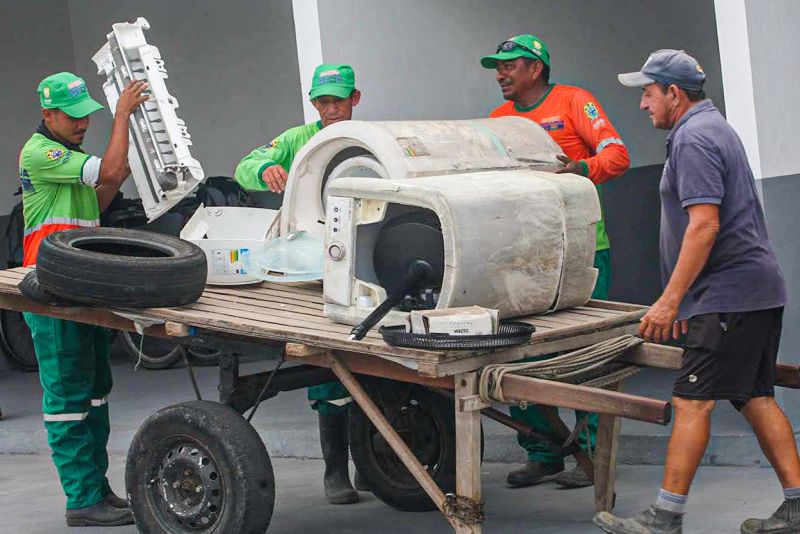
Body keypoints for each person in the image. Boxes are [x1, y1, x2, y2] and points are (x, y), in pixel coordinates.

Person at [593, 49, 800, 534]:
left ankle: (665, 517)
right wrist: (686, 298)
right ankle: (797, 507)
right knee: (753, 394)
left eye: (647, 94)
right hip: (748, 291)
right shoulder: (710, 128)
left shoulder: (695, 138)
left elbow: (704, 226)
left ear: (673, 93)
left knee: (691, 400)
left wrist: (669, 300)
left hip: (728, 294)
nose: (643, 105)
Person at [481, 34, 630, 489]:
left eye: (509, 66)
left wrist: (579, 170)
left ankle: (589, 454)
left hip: (584, 248)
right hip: (526, 255)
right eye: (498, 67)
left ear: (536, 68)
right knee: (521, 353)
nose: (501, 75)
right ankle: (543, 452)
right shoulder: (497, 119)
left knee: (584, 353)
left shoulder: (574, 101)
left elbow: (617, 155)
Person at [20, 72, 148, 526]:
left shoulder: (69, 158)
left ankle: (97, 490)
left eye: (85, 116)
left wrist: (129, 145)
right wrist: (121, 117)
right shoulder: (42, 153)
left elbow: (103, 192)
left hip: (81, 287)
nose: (81, 125)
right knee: (68, 397)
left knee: (95, 392)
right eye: (72, 118)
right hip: (52, 291)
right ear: (47, 114)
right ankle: (81, 499)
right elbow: (110, 171)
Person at [235, 64, 363, 504]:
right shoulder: (295, 140)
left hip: (363, 266)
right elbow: (244, 166)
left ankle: (372, 463)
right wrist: (267, 168)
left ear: (355, 99)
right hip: (314, 271)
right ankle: (336, 472)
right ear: (314, 103)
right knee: (329, 370)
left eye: (338, 101)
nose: (331, 109)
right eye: (323, 102)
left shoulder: (369, 139)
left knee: (372, 369)